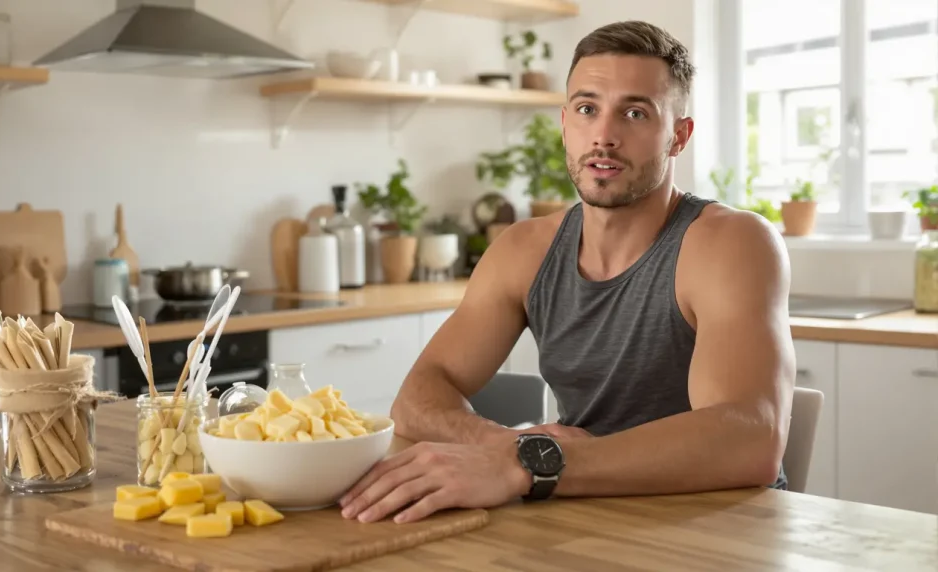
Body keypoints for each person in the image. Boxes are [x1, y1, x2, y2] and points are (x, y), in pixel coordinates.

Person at [339, 20, 796, 525]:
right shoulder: (523, 249)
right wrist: (507, 447)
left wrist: (528, 465)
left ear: (678, 137)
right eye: (587, 109)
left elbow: (750, 437)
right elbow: (418, 395)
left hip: (720, 528)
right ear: (564, 123)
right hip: (583, 514)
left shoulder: (731, 243)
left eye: (635, 113)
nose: (604, 134)